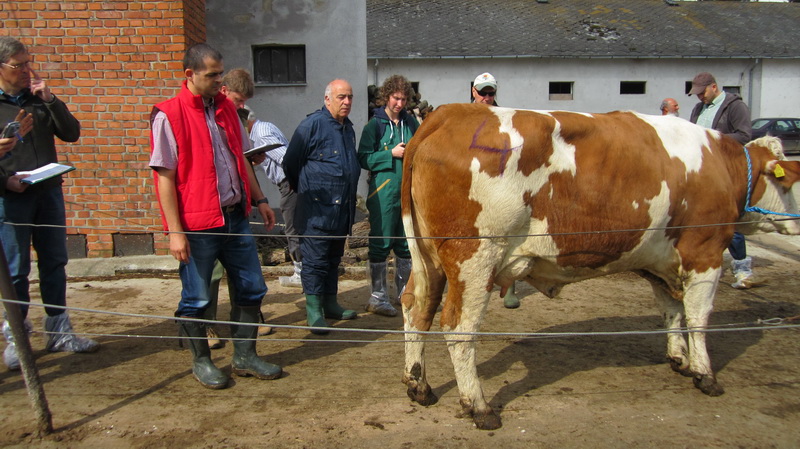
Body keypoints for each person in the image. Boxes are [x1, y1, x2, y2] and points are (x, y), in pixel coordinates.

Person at [149, 43, 281, 389]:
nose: (219, 81)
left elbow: (241, 158)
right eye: (212, 75)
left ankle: (245, 357)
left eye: (221, 73)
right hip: (197, 224)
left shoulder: (225, 108)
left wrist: (261, 198)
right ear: (189, 75)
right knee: (197, 297)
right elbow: (164, 177)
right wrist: (175, 232)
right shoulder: (168, 115)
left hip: (235, 216)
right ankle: (202, 362)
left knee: (252, 287)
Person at [0, 36, 99, 371]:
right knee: (15, 270)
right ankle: (17, 336)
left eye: (29, 62)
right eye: (19, 65)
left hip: (48, 192)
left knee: (55, 262)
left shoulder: (38, 100)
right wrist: (5, 181)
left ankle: (58, 331)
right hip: (12, 196)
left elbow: (71, 133)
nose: (28, 70)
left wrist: (52, 99)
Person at [202, 68, 272, 350]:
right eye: (239, 100)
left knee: (241, 270)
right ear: (223, 91)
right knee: (211, 273)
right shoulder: (206, 118)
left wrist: (260, 198)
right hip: (211, 209)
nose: (243, 106)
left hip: (238, 204)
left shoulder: (238, 119)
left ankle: (243, 324)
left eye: (244, 102)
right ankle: (206, 324)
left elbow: (240, 162)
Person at [283, 79, 360, 335]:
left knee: (333, 259)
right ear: (327, 99)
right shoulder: (311, 125)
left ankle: (330, 304)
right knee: (315, 261)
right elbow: (290, 163)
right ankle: (314, 311)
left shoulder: (348, 129)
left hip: (341, 211)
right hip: (316, 211)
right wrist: (302, 188)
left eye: (349, 97)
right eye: (341, 97)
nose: (347, 102)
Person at [357, 75, 418, 317]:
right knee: (380, 242)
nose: (400, 103)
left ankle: (404, 294)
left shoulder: (412, 124)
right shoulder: (374, 126)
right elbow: (363, 158)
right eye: (396, 98)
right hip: (382, 193)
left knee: (405, 243)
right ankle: (377, 298)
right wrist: (390, 154)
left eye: (403, 99)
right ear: (387, 96)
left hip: (407, 192)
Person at [688, 71, 755, 289]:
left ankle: (742, 269)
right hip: (702, 170)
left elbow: (744, 135)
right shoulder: (699, 108)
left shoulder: (735, 107)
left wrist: (713, 138)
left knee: (725, 220)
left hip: (724, 170)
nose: (699, 97)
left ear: (714, 87)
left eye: (702, 92)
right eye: (697, 93)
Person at [470, 72, 520, 308]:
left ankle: (509, 287)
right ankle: (475, 285)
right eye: (483, 93)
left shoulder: (505, 117)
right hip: (472, 183)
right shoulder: (463, 116)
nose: (487, 98)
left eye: (491, 93)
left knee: (505, 234)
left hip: (499, 182)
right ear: (473, 91)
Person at [249, 116, 302, 288]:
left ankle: (301, 272)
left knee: (292, 226)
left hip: (290, 182)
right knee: (295, 225)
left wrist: (294, 183)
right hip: (289, 182)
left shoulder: (260, 133)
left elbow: (285, 158)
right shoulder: (264, 127)